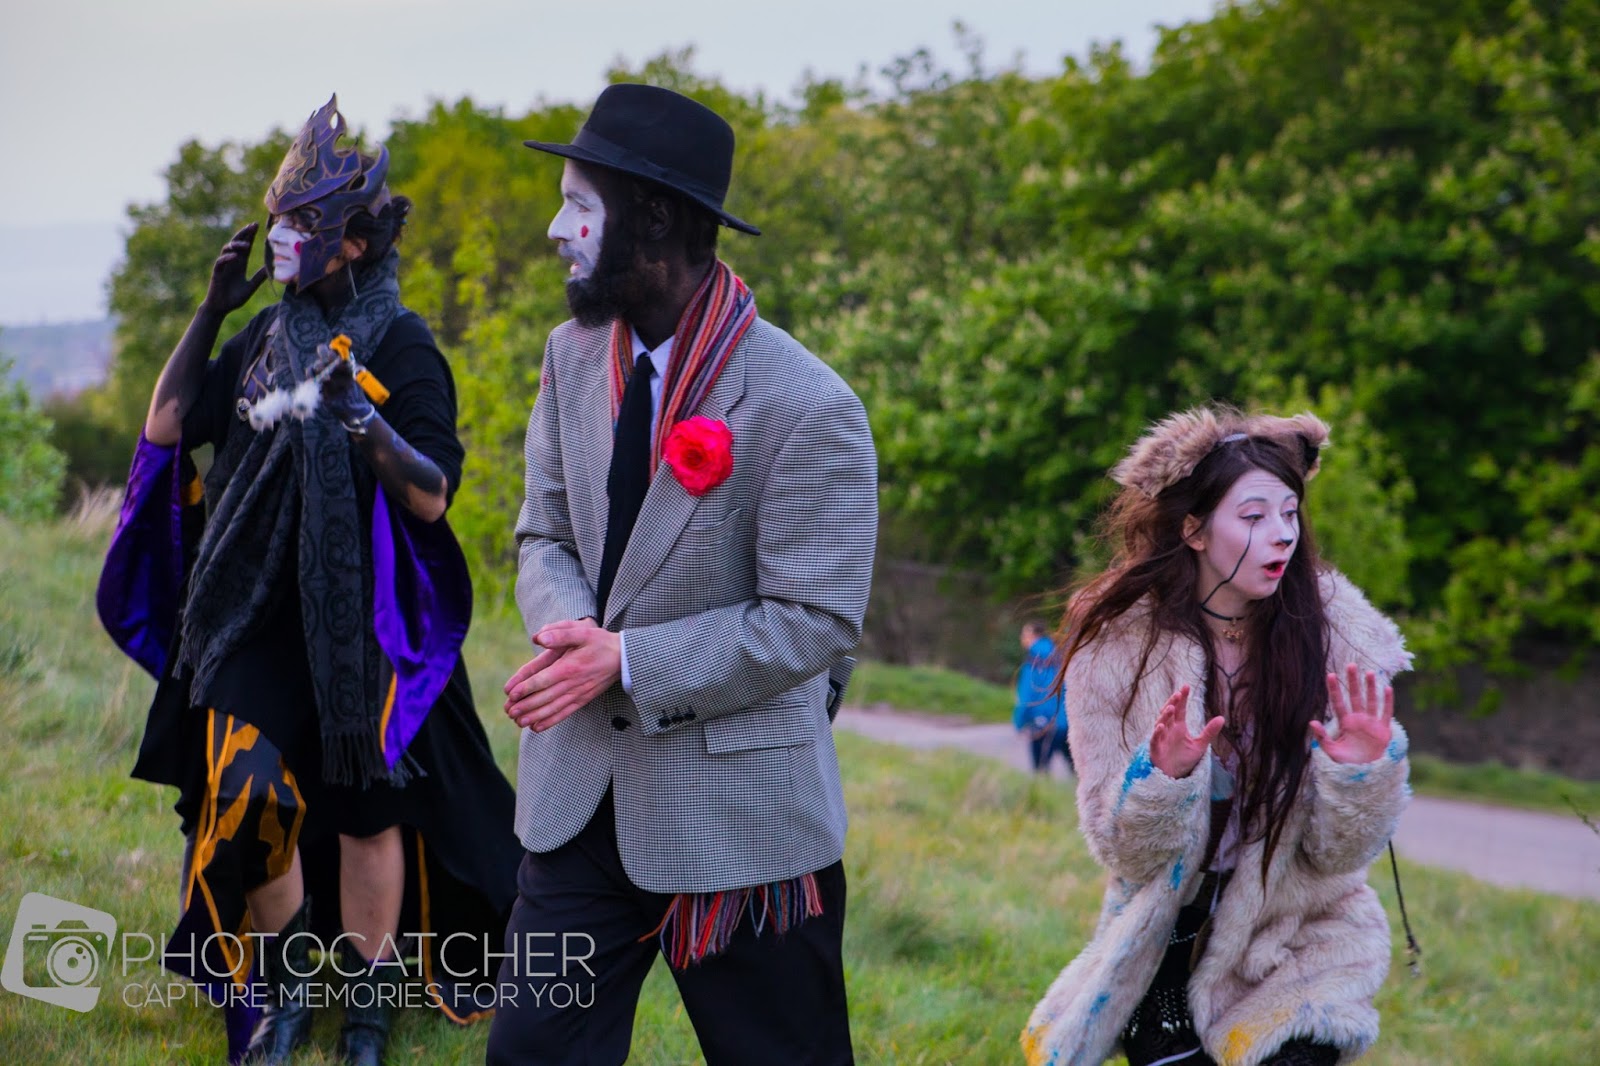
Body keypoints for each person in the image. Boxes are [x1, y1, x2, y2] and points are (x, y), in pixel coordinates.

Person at [97, 96, 519, 1066]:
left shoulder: (402, 345)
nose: (282, 237)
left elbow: (433, 496)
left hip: (361, 625)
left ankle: (365, 1015)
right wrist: (213, 309)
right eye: (278, 219)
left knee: (369, 813)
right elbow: (167, 428)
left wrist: (362, 419)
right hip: (247, 613)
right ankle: (286, 992)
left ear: (354, 241)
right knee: (247, 794)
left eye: (301, 223)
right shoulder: (263, 337)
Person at [488, 83, 877, 1066]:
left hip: (742, 826)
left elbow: (814, 621)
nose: (556, 230)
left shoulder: (810, 405)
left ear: (654, 218)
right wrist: (575, 636)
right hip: (577, 799)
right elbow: (542, 533)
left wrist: (626, 661)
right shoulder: (568, 356)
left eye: (579, 205)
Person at [1022, 406, 1413, 1066]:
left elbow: (1337, 857)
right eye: (1254, 517)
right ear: (1195, 531)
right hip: (1167, 940)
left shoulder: (1332, 636)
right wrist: (1163, 779)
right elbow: (1126, 853)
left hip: (1295, 935)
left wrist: (1360, 773)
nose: (1282, 535)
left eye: (1290, 514)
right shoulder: (1119, 647)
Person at [1014, 619, 1072, 774]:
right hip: (1065, 722)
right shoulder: (1059, 653)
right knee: (1078, 773)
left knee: (1040, 772)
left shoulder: (1034, 658)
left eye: (1024, 634)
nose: (1022, 638)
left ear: (1033, 635)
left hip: (1042, 724)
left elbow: (1026, 696)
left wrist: (1019, 722)